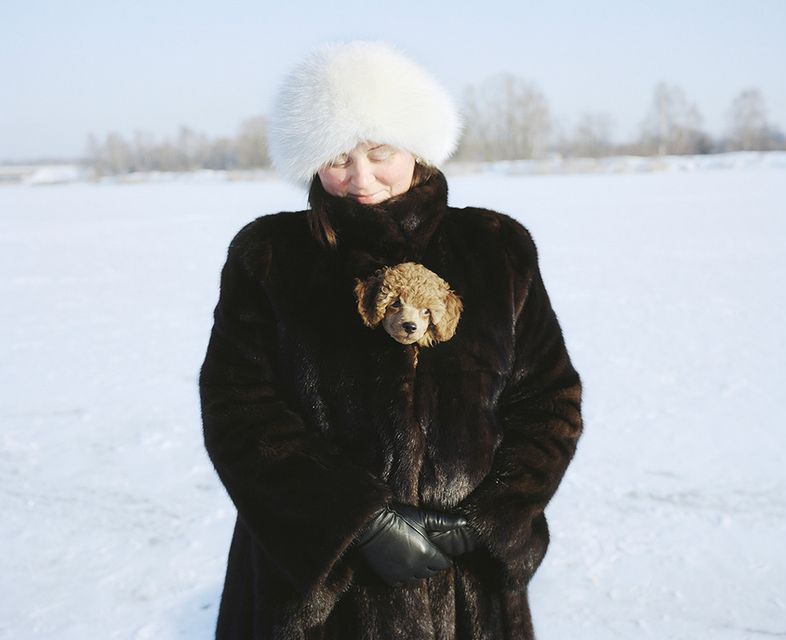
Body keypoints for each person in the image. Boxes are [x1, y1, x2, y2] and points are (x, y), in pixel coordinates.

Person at [199, 41, 582, 640]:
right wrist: (355, 523)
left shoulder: (496, 249)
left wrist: (487, 520)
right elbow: (238, 410)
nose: (361, 178)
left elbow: (549, 399)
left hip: (467, 589)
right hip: (321, 593)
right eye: (337, 158)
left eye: (380, 153)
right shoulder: (269, 256)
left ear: (417, 147)